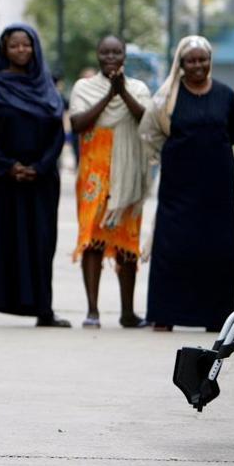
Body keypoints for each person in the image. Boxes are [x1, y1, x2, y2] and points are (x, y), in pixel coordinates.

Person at [0, 24, 69, 328]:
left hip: (40, 180)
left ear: (35, 48)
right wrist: (7, 165)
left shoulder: (46, 85)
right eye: (15, 46)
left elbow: (57, 133)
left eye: (27, 45)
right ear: (4, 50)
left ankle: (43, 310)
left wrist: (40, 166)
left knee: (40, 242)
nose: (21, 51)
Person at [140, 36, 234, 332]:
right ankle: (164, 314)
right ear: (181, 64)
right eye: (191, 61)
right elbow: (150, 132)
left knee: (217, 249)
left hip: (217, 187)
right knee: (173, 247)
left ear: (209, 61)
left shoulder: (225, 96)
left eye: (203, 59)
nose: (198, 65)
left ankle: (216, 318)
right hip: (178, 187)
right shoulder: (166, 99)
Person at [69, 35, 152, 328]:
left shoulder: (139, 88)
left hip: (128, 176)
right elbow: (78, 124)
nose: (111, 57)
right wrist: (109, 95)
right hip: (94, 174)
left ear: (124, 55)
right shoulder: (84, 87)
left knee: (127, 242)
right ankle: (92, 311)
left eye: (116, 52)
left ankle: (128, 312)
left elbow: (147, 121)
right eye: (105, 52)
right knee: (91, 239)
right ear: (98, 55)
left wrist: (123, 92)